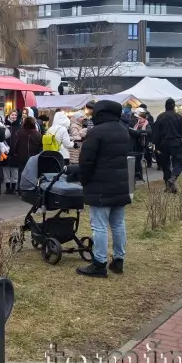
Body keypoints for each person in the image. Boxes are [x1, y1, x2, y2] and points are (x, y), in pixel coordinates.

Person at [76, 100, 131, 278]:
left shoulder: (96, 132)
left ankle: (99, 263)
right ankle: (118, 260)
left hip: (100, 184)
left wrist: (83, 180)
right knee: (118, 223)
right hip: (120, 183)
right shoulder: (123, 130)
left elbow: (86, 161)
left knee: (99, 225)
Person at [153, 98, 182, 193]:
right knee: (179, 162)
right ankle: (173, 178)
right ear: (174, 106)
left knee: (165, 164)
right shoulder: (178, 117)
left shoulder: (160, 117)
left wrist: (156, 146)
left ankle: (168, 184)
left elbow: (156, 133)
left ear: (165, 106)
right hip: (176, 142)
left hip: (163, 143)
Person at [13, 116, 43, 181]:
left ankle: (20, 188)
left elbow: (16, 145)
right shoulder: (38, 134)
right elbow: (41, 147)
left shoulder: (19, 133)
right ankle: (31, 188)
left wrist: (15, 154)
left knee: (21, 173)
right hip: (33, 158)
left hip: (21, 157)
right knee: (32, 175)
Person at [129, 108, 152, 181]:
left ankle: (140, 175)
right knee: (136, 160)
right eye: (138, 118)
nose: (139, 120)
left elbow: (149, 132)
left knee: (138, 160)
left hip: (142, 144)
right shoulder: (136, 125)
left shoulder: (147, 124)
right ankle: (137, 174)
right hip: (135, 144)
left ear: (144, 118)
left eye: (140, 118)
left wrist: (138, 132)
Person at [2, 110, 22, 194]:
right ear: (9, 115)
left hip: (15, 152)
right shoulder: (4, 126)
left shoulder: (19, 127)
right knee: (6, 170)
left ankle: (13, 188)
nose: (14, 116)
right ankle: (7, 188)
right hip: (5, 151)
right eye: (12, 115)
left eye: (15, 115)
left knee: (14, 171)